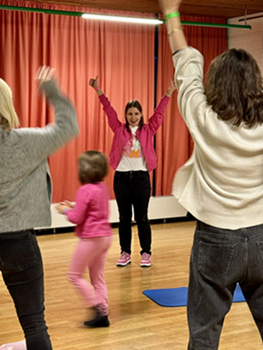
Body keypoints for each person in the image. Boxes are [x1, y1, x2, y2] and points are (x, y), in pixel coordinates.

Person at [159, 0, 263, 349]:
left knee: (204, 337)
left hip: (216, 239)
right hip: (262, 236)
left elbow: (185, 64)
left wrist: (171, 12)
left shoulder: (203, 119)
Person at [0, 67, 79, 350]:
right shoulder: (24, 142)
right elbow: (68, 126)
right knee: (34, 324)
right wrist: (52, 92)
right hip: (18, 242)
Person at [89, 76, 176, 268]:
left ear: (141, 115)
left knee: (142, 217)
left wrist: (169, 92)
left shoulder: (148, 129)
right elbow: (108, 109)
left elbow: (160, 113)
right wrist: (98, 90)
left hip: (141, 179)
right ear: (126, 115)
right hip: (121, 179)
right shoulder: (119, 129)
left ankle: (146, 253)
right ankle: (125, 252)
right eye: (130, 114)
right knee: (124, 218)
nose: (133, 117)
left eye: (136, 113)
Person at [56, 150, 112, 328]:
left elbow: (76, 218)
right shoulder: (102, 187)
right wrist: (73, 204)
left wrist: (64, 210)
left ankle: (96, 307)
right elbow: (93, 207)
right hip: (105, 237)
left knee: (74, 275)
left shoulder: (84, 189)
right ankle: (103, 313)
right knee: (97, 277)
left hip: (91, 238)